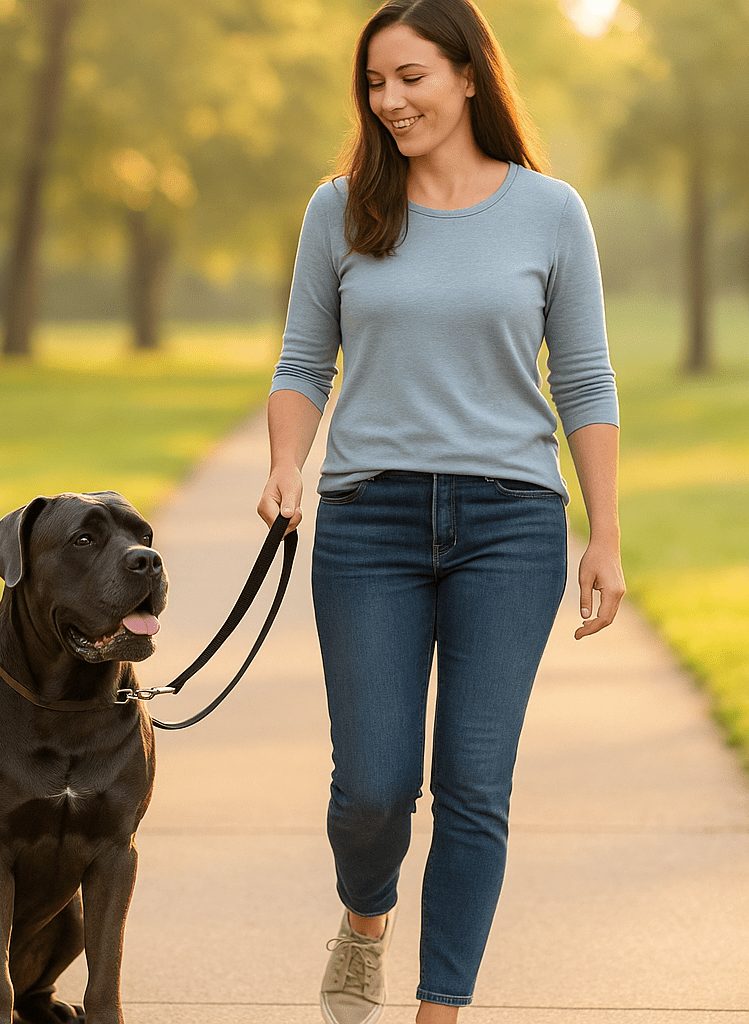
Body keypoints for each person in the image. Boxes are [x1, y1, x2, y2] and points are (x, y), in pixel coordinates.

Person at [256, 1, 625, 1022]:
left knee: (473, 784)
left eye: (410, 77)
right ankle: (365, 914)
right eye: (375, 83)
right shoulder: (342, 207)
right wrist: (287, 463)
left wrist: (604, 533)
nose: (390, 101)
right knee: (372, 787)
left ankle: (439, 1008)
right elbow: (301, 362)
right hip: (368, 521)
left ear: (469, 77)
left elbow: (585, 381)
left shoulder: (551, 212)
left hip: (509, 525)